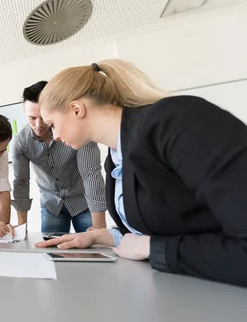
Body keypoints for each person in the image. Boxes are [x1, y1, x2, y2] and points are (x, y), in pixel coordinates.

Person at [36, 59, 247, 287]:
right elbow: (164, 220)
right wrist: (102, 236)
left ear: (77, 109)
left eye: (52, 124)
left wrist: (152, 249)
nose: (53, 136)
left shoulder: (174, 121)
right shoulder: (115, 156)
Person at [11, 81, 107, 233]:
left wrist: (99, 227)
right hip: (51, 205)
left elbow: (91, 175)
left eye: (43, 117)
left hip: (84, 202)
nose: (39, 124)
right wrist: (22, 226)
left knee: (95, 251)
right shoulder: (21, 142)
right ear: (24, 111)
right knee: (53, 253)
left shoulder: (78, 131)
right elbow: (21, 182)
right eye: (32, 118)